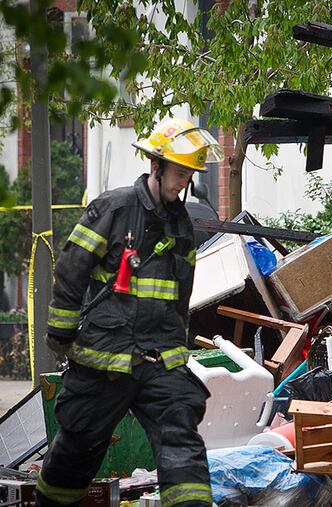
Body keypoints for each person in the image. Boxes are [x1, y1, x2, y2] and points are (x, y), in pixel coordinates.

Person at [36, 118, 224, 507]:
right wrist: (61, 336)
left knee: (181, 437)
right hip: (106, 356)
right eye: (178, 171)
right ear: (155, 166)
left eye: (189, 173)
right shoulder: (114, 208)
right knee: (78, 446)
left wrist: (177, 349)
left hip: (158, 360)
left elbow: (180, 295)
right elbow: (72, 268)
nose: (183, 180)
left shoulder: (182, 227)